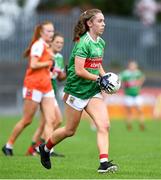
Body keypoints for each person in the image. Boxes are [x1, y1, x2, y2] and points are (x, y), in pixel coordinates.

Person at [38, 9, 118, 173]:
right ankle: (45, 149)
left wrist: (106, 78)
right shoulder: (82, 43)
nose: (104, 24)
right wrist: (99, 79)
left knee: (104, 125)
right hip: (76, 91)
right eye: (100, 21)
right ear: (90, 23)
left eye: (104, 21)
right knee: (69, 130)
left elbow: (97, 64)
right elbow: (80, 71)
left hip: (92, 90)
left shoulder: (100, 42)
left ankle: (103, 163)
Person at [2, 21, 57, 156]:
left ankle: (48, 151)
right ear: (41, 32)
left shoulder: (47, 46)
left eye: (52, 31)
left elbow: (47, 67)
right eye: (48, 31)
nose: (51, 33)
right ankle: (8, 145)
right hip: (34, 86)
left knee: (51, 120)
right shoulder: (38, 45)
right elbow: (33, 64)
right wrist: (49, 62)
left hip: (46, 86)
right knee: (27, 120)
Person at [26, 33, 66, 156]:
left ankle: (35, 148)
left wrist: (67, 72)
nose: (60, 45)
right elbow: (38, 69)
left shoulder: (59, 57)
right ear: (51, 42)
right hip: (43, 89)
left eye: (62, 43)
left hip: (51, 89)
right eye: (57, 42)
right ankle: (44, 149)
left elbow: (60, 78)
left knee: (52, 121)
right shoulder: (46, 54)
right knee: (52, 120)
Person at [119, 60, 145, 131]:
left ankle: (142, 124)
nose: (132, 67)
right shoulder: (125, 73)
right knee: (129, 111)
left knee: (140, 110)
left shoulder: (138, 73)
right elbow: (119, 79)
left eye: (134, 65)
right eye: (131, 65)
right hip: (128, 95)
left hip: (137, 95)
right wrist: (124, 85)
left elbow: (142, 78)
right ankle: (129, 125)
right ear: (129, 66)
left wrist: (139, 84)